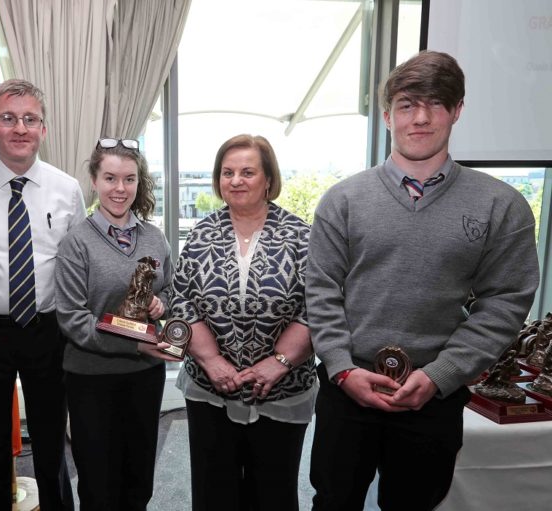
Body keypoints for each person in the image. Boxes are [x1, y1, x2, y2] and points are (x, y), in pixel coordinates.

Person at [306, 50, 540, 511]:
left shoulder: (501, 205)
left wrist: (440, 375)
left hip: (435, 395)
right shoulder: (342, 200)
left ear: (457, 111)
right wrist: (343, 368)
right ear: (388, 113)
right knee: (334, 502)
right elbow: (322, 291)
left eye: (436, 104)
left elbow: (506, 301)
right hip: (347, 389)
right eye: (409, 104)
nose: (421, 117)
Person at [0, 79, 83, 510]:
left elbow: (78, 264)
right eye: (8, 118)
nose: (19, 128)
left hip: (48, 329)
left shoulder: (68, 189)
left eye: (30, 119)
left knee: (50, 440)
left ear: (43, 128)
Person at [169, 134, 317, 511]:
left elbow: (317, 306)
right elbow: (183, 299)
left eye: (247, 172)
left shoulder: (302, 236)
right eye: (227, 172)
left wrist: (279, 363)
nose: (235, 180)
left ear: (268, 179)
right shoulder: (201, 235)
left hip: (282, 390)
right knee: (213, 489)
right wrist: (212, 361)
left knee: (274, 492)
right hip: (210, 390)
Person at [55, 138, 177, 510]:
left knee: (139, 476)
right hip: (92, 378)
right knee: (97, 480)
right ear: (94, 180)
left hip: (145, 375)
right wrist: (134, 344)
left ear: (139, 183)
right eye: (110, 178)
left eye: (129, 179)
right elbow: (73, 319)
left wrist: (161, 304)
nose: (120, 189)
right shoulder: (76, 242)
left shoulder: (155, 238)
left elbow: (173, 291)